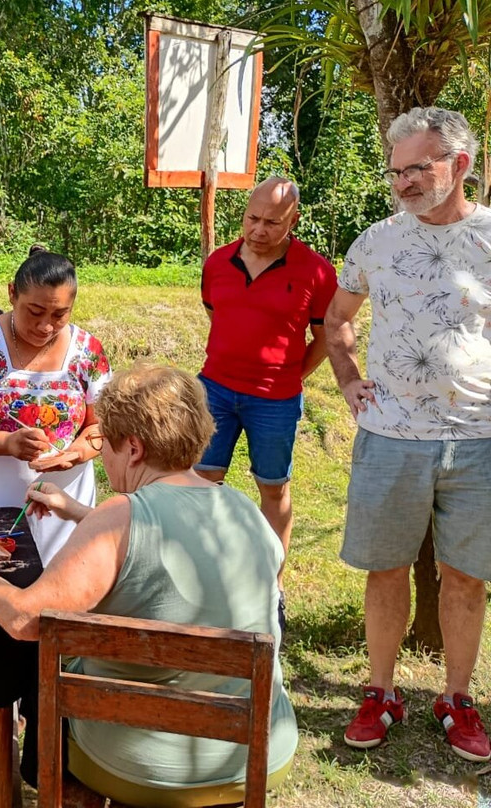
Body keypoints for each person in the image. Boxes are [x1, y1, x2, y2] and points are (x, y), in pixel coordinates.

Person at [0, 364, 297, 807]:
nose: (103, 459)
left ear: (133, 448)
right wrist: (80, 513)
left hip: (145, 764)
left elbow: (23, 618)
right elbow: (169, 548)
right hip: (256, 750)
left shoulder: (121, 517)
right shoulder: (246, 510)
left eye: (105, 446)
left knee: (48, 674)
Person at [325, 106, 491, 762]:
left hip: (480, 439)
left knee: (468, 577)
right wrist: (346, 380)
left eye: (418, 168)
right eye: (396, 172)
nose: (403, 183)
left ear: (461, 165)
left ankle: (456, 697)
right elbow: (337, 319)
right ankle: (381, 691)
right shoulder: (375, 241)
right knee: (385, 569)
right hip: (391, 435)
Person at [196, 176, 337, 604]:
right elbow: (215, 313)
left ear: (292, 221)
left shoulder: (316, 270)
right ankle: (203, 575)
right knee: (201, 483)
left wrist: (292, 374)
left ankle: (271, 583)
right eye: (252, 219)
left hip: (275, 399)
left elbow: (327, 337)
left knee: (273, 486)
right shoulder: (217, 262)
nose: (259, 230)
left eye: (272, 223)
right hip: (215, 390)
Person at [0, 246, 110, 565]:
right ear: (12, 294)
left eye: (59, 315)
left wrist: (76, 453)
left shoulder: (87, 351)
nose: (45, 326)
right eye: (35, 311)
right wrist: (7, 443)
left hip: (68, 505)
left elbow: (103, 426)